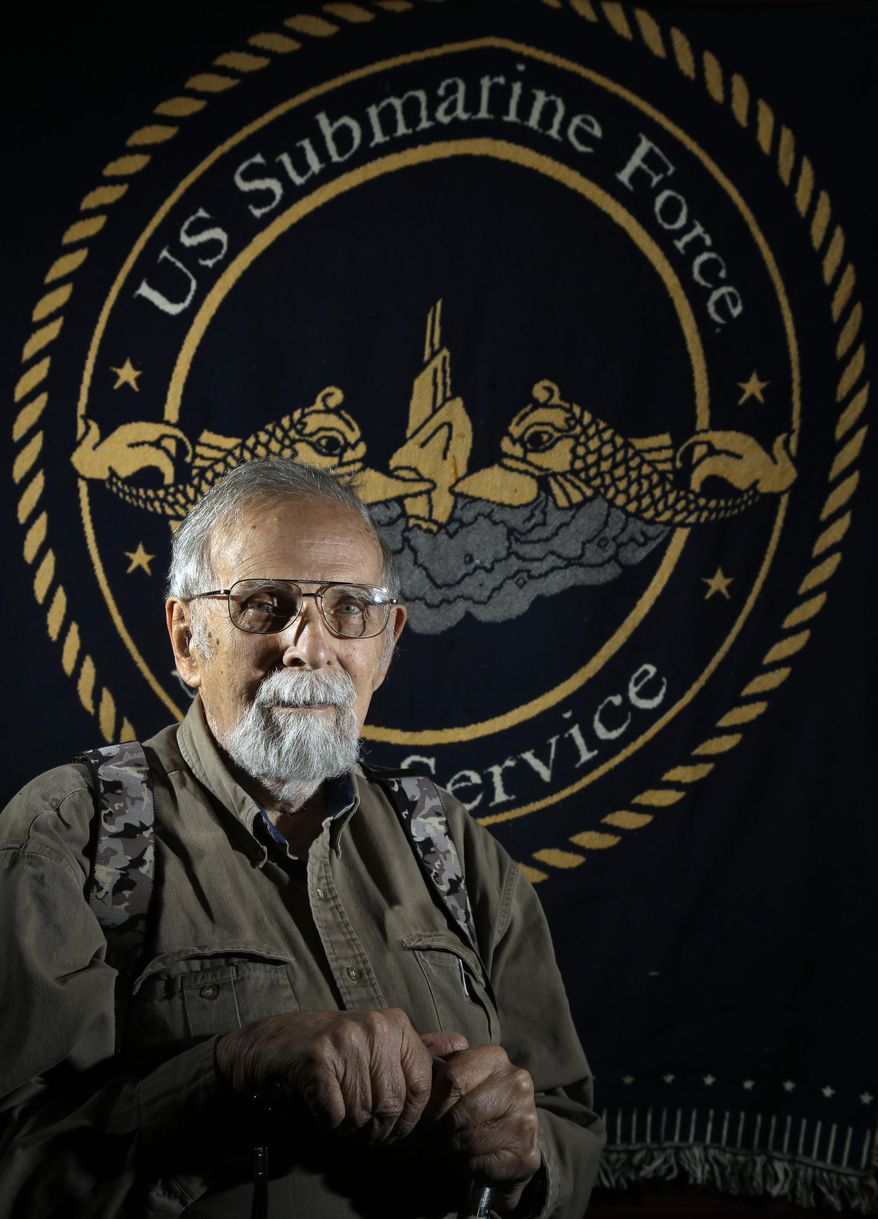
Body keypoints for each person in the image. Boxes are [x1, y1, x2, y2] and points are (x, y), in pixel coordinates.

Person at [0, 458, 604, 1217]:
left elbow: (573, 1133)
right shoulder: (71, 837)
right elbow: (15, 1167)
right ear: (188, 636)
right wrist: (231, 1071)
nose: (309, 648)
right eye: (265, 604)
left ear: (384, 643)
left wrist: (528, 1156)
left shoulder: (450, 845)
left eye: (349, 608)